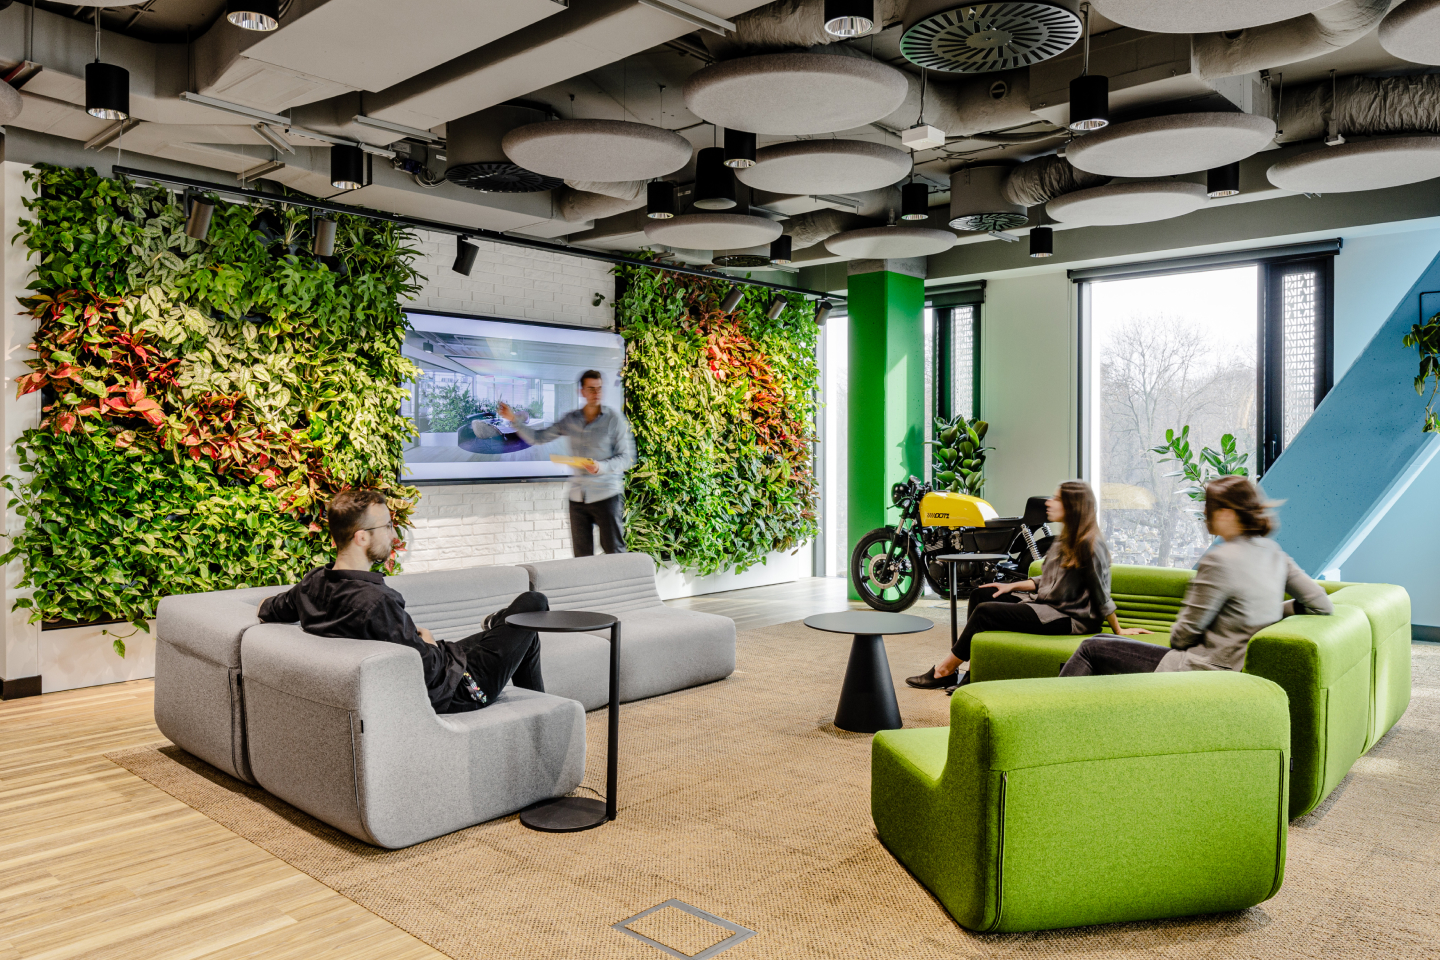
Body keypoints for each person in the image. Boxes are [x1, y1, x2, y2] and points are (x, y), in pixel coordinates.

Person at [258, 488, 549, 714]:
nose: (393, 533)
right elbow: (427, 669)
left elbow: (269, 609)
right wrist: (429, 642)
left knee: (524, 630)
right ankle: (501, 624)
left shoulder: (312, 583)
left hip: (451, 663)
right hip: (462, 688)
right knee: (532, 603)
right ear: (361, 537)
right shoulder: (377, 603)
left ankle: (544, 710)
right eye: (386, 526)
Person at [1060, 475, 1333, 677]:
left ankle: (1049, 722)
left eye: (1209, 506)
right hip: (1233, 666)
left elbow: (1181, 637)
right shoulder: (1276, 554)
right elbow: (1321, 603)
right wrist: (1274, 611)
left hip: (1203, 668)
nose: (1204, 513)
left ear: (1226, 513)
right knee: (1101, 642)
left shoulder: (1220, 559)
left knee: (1089, 650)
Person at [907, 480, 1149, 692]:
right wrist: (1009, 587)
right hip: (1047, 606)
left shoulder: (1089, 545)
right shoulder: (1066, 540)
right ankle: (974, 672)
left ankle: (943, 671)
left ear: (1073, 506)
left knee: (985, 613)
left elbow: (1100, 593)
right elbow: (1045, 579)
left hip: (1068, 619)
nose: (1049, 503)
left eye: (1057, 499)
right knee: (982, 595)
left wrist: (1119, 630)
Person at [499, 369, 635, 557]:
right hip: (577, 498)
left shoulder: (613, 419)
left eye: (599, 389)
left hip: (607, 495)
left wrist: (600, 466)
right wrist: (514, 419)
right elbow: (538, 437)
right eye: (591, 389)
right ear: (582, 392)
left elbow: (626, 457)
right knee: (581, 558)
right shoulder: (571, 419)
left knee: (615, 553)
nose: (596, 393)